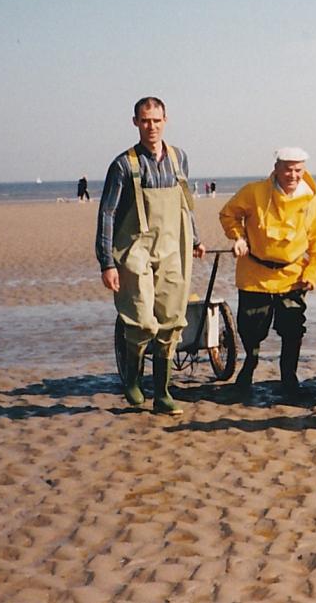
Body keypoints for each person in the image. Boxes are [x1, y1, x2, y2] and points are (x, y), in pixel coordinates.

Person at [96, 96, 205, 416]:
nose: (151, 126)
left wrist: (195, 238)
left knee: (172, 321)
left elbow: (186, 203)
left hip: (173, 246)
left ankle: (163, 393)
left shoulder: (179, 158)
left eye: (156, 120)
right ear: (135, 122)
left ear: (165, 121)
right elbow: (107, 214)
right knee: (142, 321)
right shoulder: (123, 165)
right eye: (145, 121)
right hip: (135, 248)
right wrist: (106, 262)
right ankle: (132, 377)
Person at [218, 147, 316, 401]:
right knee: (250, 328)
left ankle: (288, 376)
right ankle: (250, 364)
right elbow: (229, 214)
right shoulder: (254, 192)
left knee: (292, 329)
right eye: (288, 169)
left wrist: (312, 272)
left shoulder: (310, 201)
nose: (293, 175)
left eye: (298, 170)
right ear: (277, 168)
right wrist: (238, 237)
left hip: (292, 276)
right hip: (254, 273)